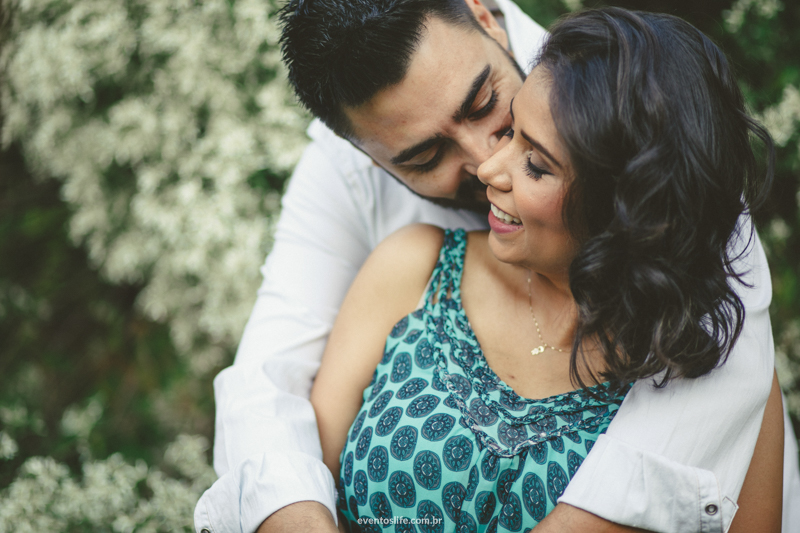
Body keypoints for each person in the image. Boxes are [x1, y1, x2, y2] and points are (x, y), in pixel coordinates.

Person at [193, 1, 800, 532]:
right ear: (364, 155)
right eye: (427, 154)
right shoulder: (377, 218)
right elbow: (267, 380)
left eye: (487, 106)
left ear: (484, 13)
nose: (486, 161)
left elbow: (722, 345)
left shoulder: (643, 108)